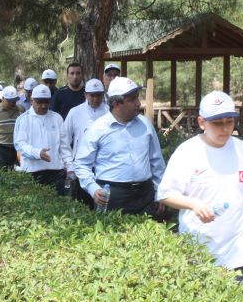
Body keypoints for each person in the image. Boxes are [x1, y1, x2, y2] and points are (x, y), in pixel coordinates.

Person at [157, 91, 243, 286]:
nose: (225, 128)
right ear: (202, 122)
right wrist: (193, 204)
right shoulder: (187, 152)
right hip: (199, 247)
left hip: (238, 248)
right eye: (217, 123)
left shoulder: (241, 149)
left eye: (229, 121)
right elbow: (165, 194)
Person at [74, 77, 165, 216]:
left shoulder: (145, 124)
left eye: (137, 98)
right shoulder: (97, 129)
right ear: (116, 103)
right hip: (112, 197)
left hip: (145, 196)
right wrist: (93, 189)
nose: (138, 103)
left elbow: (156, 161)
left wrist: (160, 192)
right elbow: (81, 164)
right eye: (132, 99)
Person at [14, 84, 72, 195]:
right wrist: (37, 153)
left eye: (47, 102)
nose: (44, 106)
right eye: (40, 102)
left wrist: (70, 167)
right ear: (32, 101)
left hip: (57, 172)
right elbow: (20, 144)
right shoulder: (23, 119)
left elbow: (64, 146)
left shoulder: (57, 118)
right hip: (32, 173)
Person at [63, 79, 108, 208]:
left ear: (103, 94)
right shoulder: (75, 112)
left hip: (103, 167)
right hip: (81, 167)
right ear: (85, 95)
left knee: (103, 205)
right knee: (82, 205)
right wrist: (69, 164)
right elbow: (64, 140)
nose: (95, 99)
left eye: (98, 95)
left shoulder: (110, 112)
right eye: (92, 95)